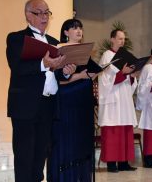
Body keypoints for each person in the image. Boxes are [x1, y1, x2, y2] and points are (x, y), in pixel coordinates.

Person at [6, 0, 76, 182]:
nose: (45, 17)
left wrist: (66, 73)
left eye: (47, 12)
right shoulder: (16, 38)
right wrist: (43, 64)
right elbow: (18, 68)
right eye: (40, 12)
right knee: (24, 155)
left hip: (48, 105)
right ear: (28, 15)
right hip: (25, 105)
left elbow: (58, 74)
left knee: (41, 154)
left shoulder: (55, 42)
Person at [47, 19, 95, 181]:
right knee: (67, 141)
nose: (79, 31)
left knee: (80, 141)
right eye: (74, 28)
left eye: (80, 27)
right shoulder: (59, 50)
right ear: (66, 32)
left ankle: (80, 176)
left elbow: (89, 72)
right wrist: (80, 76)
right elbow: (57, 80)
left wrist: (92, 75)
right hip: (67, 102)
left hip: (82, 101)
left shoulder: (85, 52)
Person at [98, 29, 138, 172]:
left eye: (124, 39)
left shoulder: (126, 57)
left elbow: (131, 84)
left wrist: (132, 75)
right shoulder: (106, 56)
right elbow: (104, 80)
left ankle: (123, 162)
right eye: (120, 39)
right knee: (113, 131)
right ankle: (111, 163)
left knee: (125, 129)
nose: (122, 41)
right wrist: (122, 73)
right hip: (112, 99)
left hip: (124, 99)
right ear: (112, 39)